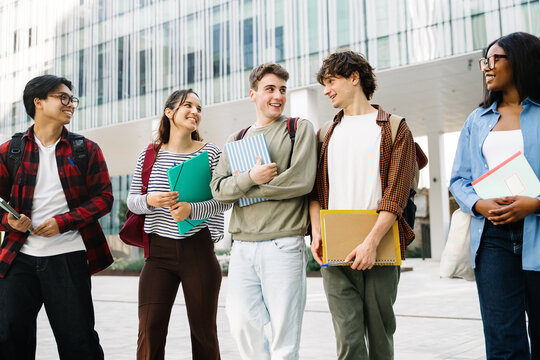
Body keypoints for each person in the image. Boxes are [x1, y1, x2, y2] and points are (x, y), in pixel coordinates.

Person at [309, 51, 416, 359]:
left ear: (354, 77)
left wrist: (370, 243)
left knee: (380, 335)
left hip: (380, 243)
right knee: (348, 339)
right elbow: (315, 192)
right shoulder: (325, 133)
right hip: (335, 245)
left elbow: (395, 196)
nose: (326, 90)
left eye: (331, 81)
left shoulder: (395, 128)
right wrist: (317, 234)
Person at [0, 75, 113, 359]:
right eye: (62, 97)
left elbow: (104, 198)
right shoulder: (10, 151)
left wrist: (63, 222)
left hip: (68, 256)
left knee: (79, 342)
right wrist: (10, 222)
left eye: (72, 99)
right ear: (38, 102)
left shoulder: (85, 149)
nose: (70, 104)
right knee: (9, 339)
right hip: (18, 259)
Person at [210, 63, 317, 360]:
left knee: (285, 334)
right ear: (253, 94)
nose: (277, 96)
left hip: (283, 245)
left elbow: (302, 180)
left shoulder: (299, 129)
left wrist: (245, 190)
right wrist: (250, 179)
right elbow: (218, 190)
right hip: (242, 247)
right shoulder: (236, 139)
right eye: (270, 89)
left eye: (282, 90)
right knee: (242, 324)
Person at [449, 32, 540, 359]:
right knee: (503, 337)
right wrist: (478, 203)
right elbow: (459, 179)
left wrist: (536, 203)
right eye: (483, 61)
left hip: (538, 232)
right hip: (492, 238)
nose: (487, 67)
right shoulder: (478, 120)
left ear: (521, 60)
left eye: (495, 59)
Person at [127, 89, 231, 360]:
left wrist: (191, 209)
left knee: (203, 332)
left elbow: (225, 200)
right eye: (188, 105)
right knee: (149, 329)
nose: (195, 111)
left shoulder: (211, 153)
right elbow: (132, 201)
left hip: (198, 249)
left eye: (199, 107)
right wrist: (150, 200)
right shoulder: (148, 155)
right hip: (158, 254)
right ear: (169, 112)